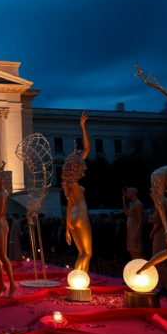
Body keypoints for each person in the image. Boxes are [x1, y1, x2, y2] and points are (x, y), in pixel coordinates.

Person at [63, 112, 93, 272]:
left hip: (72, 216)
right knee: (87, 253)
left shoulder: (68, 184)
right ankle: (82, 282)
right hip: (81, 214)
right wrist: (82, 126)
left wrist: (67, 228)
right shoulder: (75, 183)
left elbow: (68, 206)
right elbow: (87, 148)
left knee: (81, 253)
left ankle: (77, 281)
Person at [149, 196, 167, 296]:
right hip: (166, 234)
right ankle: (166, 287)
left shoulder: (160, 202)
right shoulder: (165, 201)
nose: (150, 193)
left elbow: (159, 219)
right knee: (166, 262)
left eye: (152, 190)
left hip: (161, 234)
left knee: (157, 260)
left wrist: (152, 231)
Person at [123, 187, 145, 260]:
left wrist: (137, 232)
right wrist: (123, 200)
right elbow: (127, 213)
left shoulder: (138, 204)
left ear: (133, 194)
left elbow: (140, 220)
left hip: (135, 230)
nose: (127, 195)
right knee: (131, 250)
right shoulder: (132, 204)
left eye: (128, 193)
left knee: (137, 251)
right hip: (130, 231)